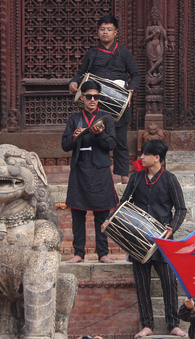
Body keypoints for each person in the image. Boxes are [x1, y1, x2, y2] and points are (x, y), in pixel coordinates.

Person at [102, 139, 188, 338]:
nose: (141, 157)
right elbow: (123, 203)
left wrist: (172, 229)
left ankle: (173, 325)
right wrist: (109, 220)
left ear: (156, 157)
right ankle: (147, 324)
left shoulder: (170, 179)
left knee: (169, 284)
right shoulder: (136, 178)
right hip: (137, 240)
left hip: (163, 242)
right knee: (142, 286)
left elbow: (181, 209)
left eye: (145, 154)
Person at [69, 15, 141, 184]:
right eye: (102, 29)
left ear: (116, 32)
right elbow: (81, 74)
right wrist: (73, 82)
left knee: (120, 142)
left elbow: (136, 75)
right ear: (98, 32)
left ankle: (124, 179)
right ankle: (98, 176)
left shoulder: (123, 52)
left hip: (119, 103)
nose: (105, 32)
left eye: (109, 29)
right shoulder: (92, 53)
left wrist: (130, 90)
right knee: (97, 139)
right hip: (96, 103)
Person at [62, 80, 117, 264]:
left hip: (100, 169)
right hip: (80, 167)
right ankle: (79, 253)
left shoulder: (106, 118)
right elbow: (64, 146)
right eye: (89, 96)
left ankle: (103, 253)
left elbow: (111, 144)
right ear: (82, 98)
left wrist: (100, 134)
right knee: (78, 213)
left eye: (96, 96)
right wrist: (75, 136)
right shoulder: (74, 119)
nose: (93, 100)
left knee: (102, 213)